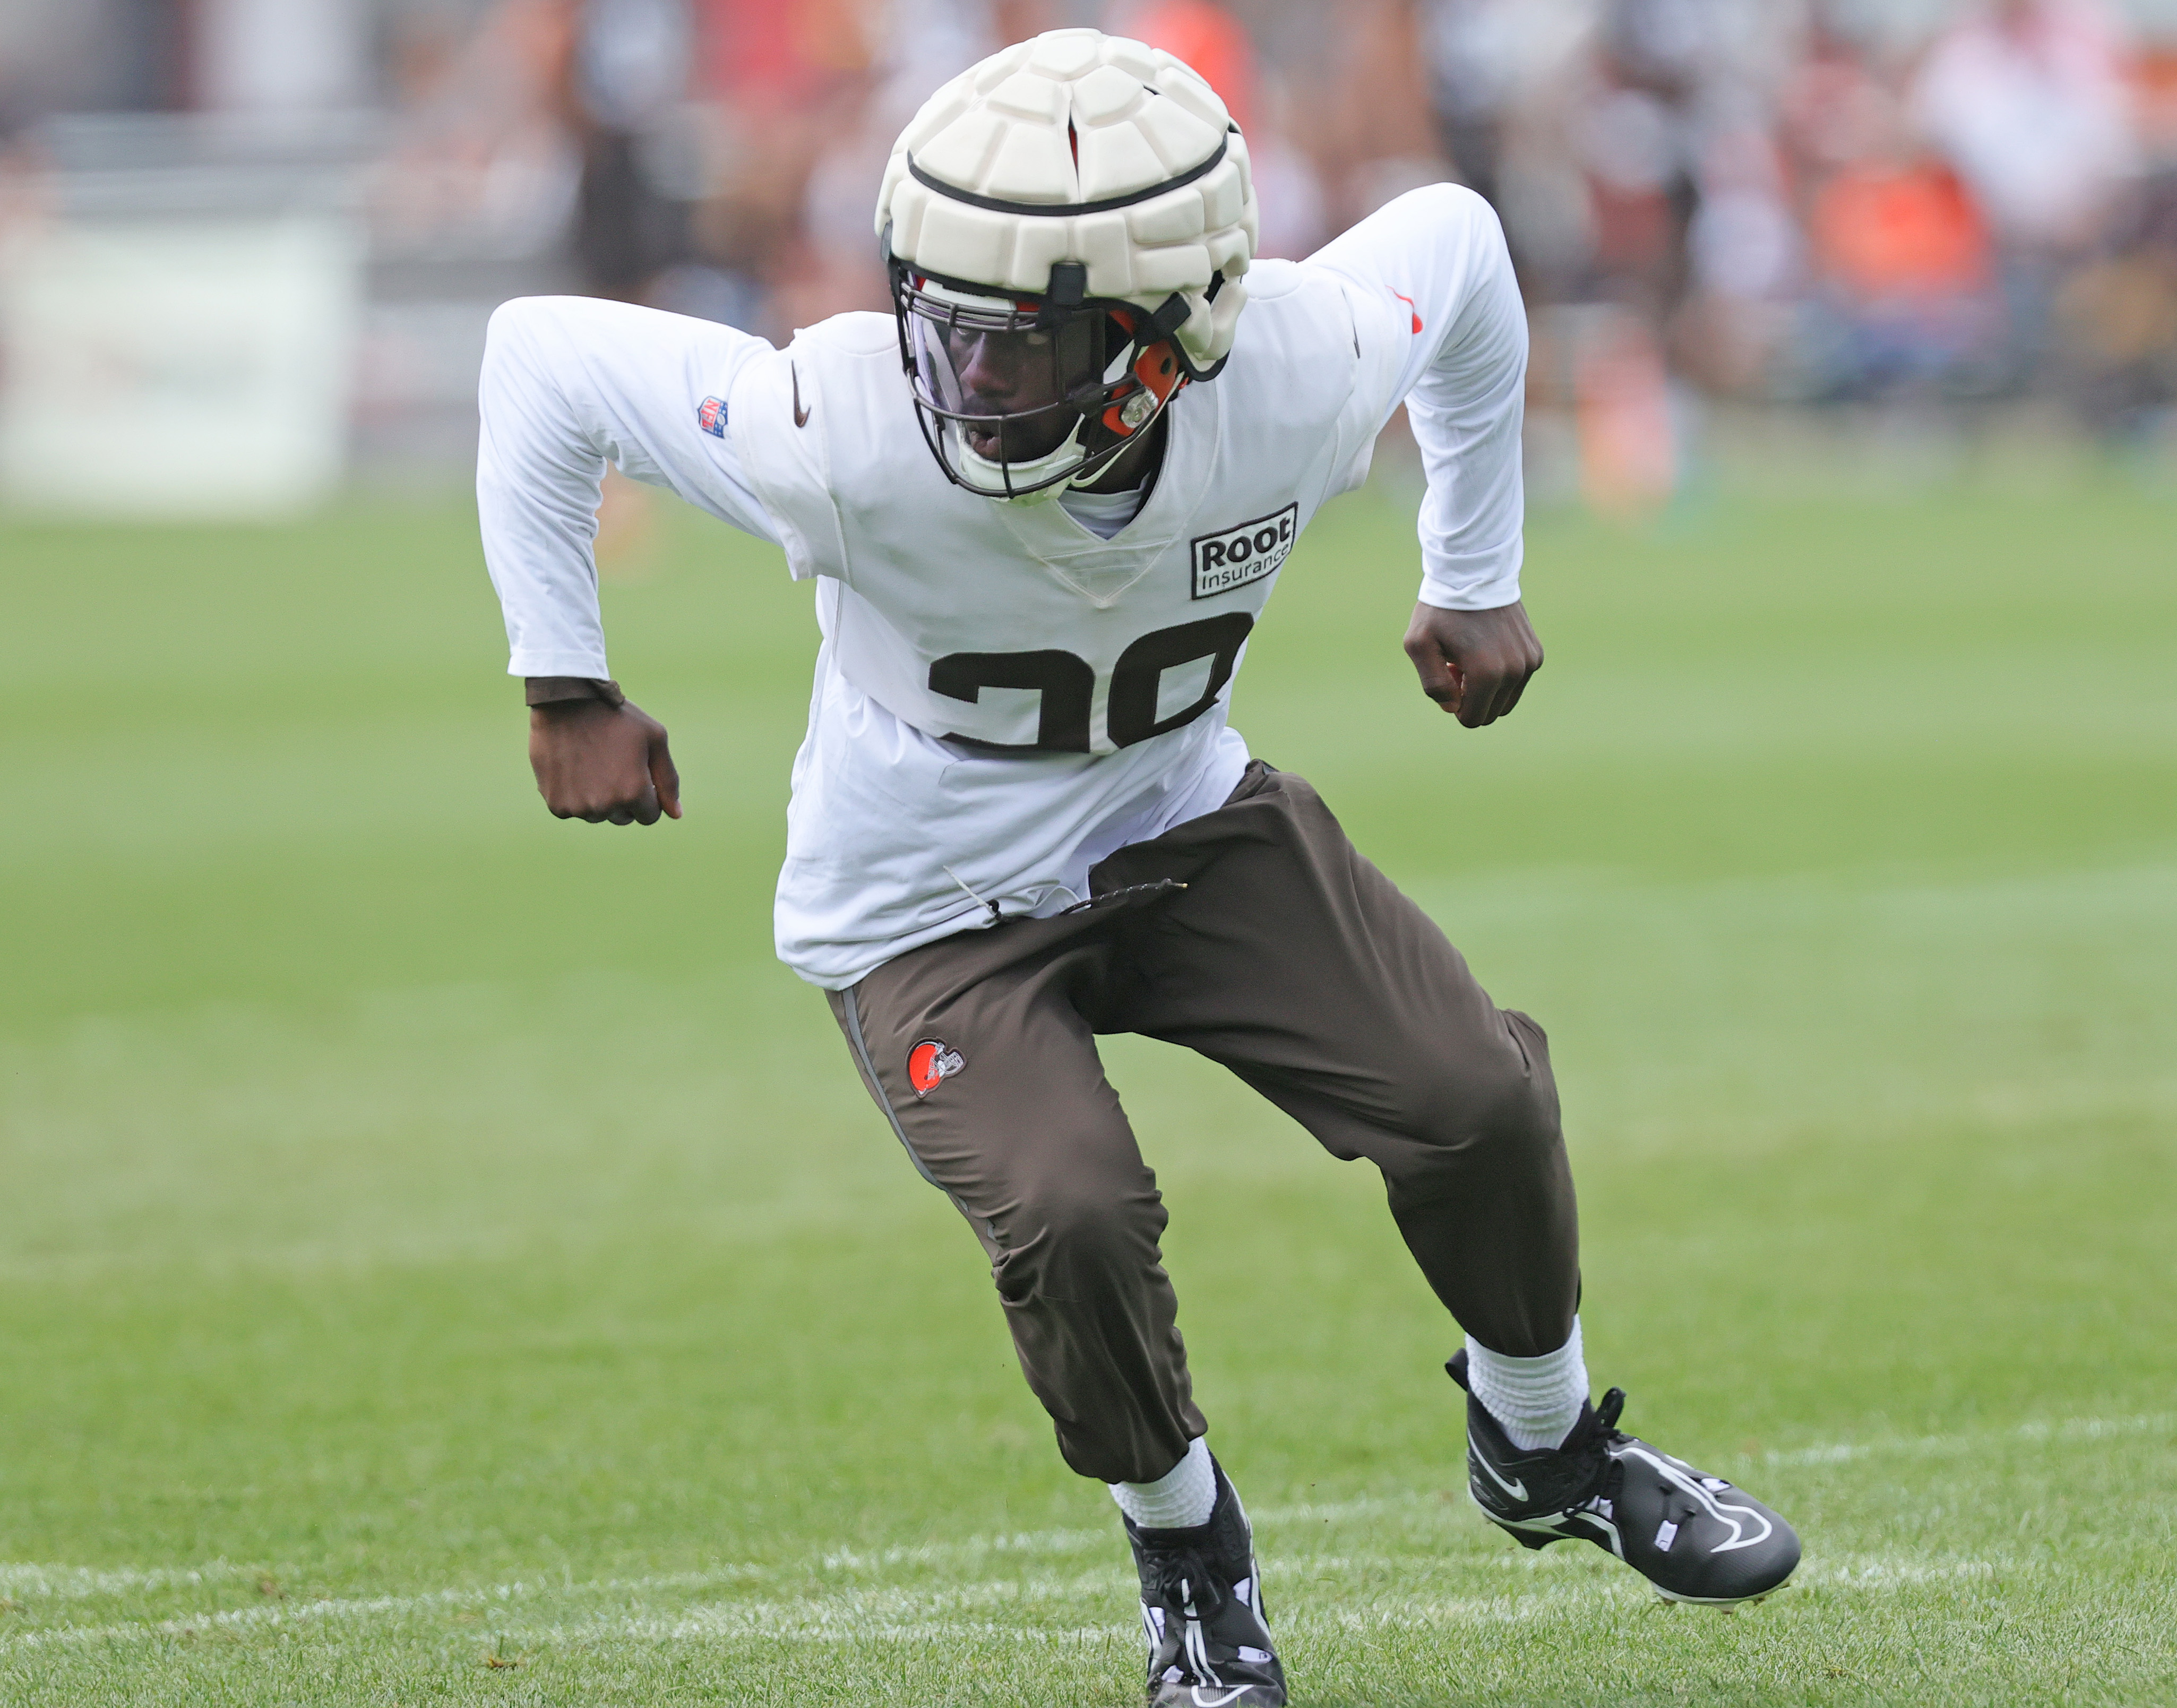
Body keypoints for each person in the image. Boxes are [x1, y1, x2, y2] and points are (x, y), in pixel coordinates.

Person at [478, 28, 1799, 1706]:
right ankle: (1190, 1552)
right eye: (939, 316)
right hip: (925, 906)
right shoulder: (838, 419)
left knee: (1478, 1094)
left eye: (1016, 345)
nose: (958, 372)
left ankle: (1545, 1453)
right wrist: (564, 680)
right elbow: (539, 361)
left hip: (1180, 819)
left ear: (1168, 342)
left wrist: (1473, 565)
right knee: (1075, 1210)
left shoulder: (1296, 369)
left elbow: (1463, 250)